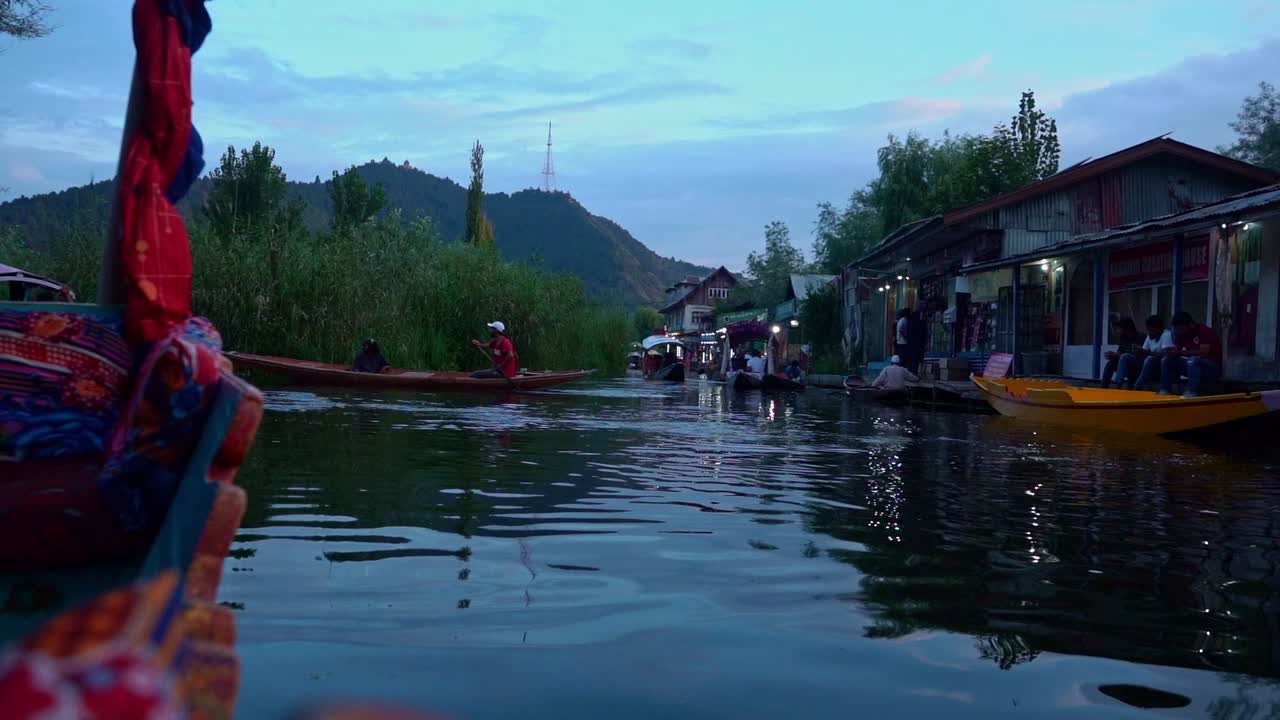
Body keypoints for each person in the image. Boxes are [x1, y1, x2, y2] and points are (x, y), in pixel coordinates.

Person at [1157, 311, 1222, 397]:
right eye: (1176, 328)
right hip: (1193, 367)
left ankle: (1191, 391)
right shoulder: (1181, 334)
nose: (1177, 330)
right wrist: (1170, 352)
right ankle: (1165, 390)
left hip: (1211, 367)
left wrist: (1181, 353)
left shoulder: (1204, 331)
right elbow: (1178, 349)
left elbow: (1203, 353)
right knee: (1166, 360)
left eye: (1180, 328)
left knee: (1193, 360)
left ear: (1190, 325)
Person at [1122, 315, 1174, 390]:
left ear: (1158, 329)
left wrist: (1147, 353)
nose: (1149, 332)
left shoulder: (1166, 335)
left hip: (1161, 367)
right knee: (1125, 356)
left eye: (1150, 330)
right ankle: (1120, 383)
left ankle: (1138, 386)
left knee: (1150, 358)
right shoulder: (1150, 337)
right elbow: (1143, 352)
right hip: (1148, 366)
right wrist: (1137, 351)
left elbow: (1166, 355)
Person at [1101, 317, 1140, 389]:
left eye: (1119, 328)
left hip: (1136, 366)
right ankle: (1103, 387)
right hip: (1124, 364)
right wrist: (1113, 355)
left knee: (1125, 356)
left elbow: (1138, 356)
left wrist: (1119, 355)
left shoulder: (1140, 337)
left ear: (1127, 328)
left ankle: (1118, 384)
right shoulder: (1123, 337)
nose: (1117, 331)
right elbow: (1119, 352)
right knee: (1111, 363)